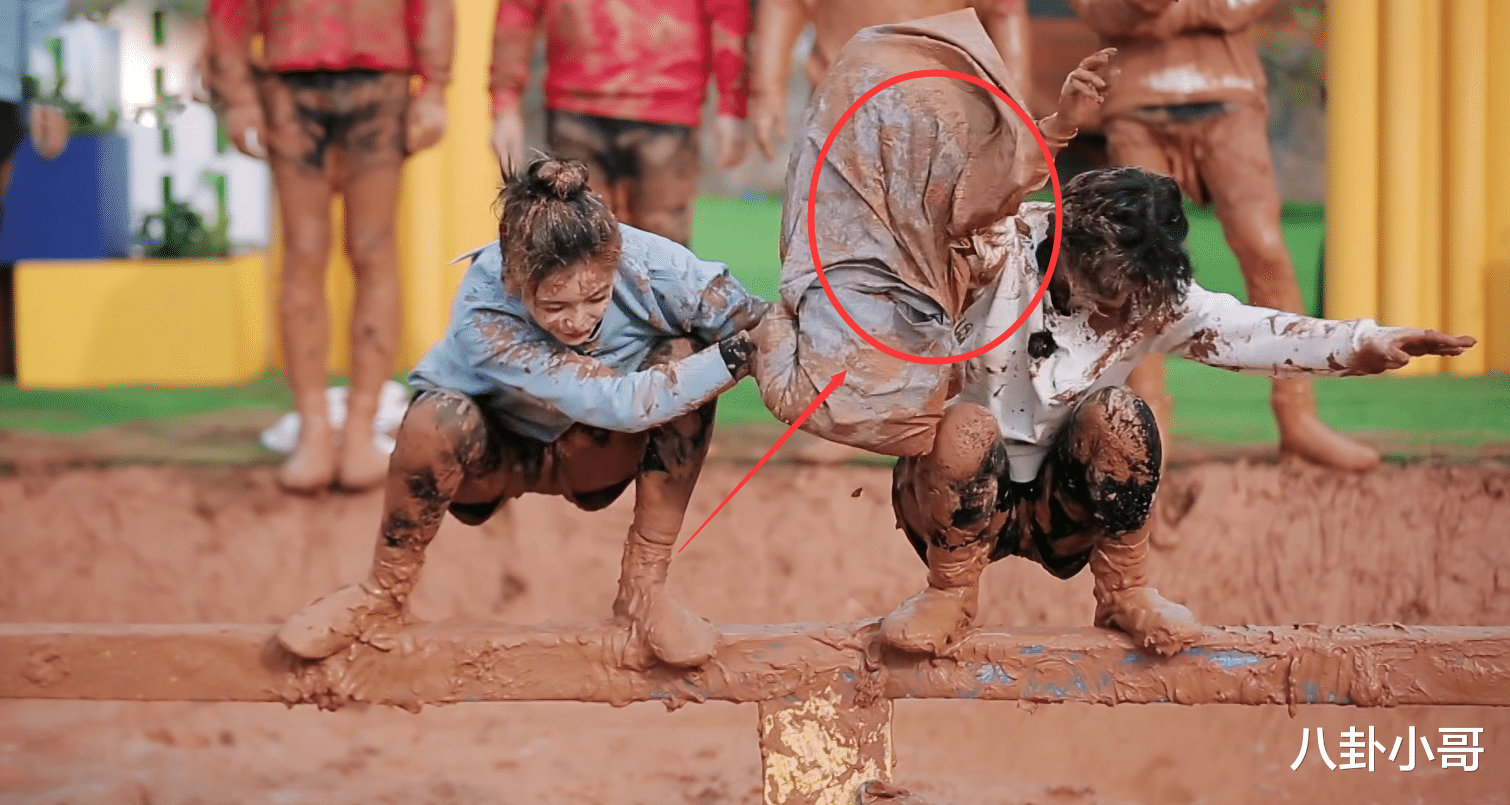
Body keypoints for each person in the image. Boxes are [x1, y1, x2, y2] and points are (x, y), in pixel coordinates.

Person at [881, 166, 1476, 656]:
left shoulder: (1152, 296)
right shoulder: (990, 250)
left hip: (1063, 506)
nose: (1118, 306)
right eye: (1105, 286)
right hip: (954, 499)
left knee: (1121, 415)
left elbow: (1251, 332)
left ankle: (1124, 592)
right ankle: (951, 593)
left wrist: (1365, 342)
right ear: (1063, 249)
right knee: (963, 426)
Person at [277, 157, 768, 667]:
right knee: (434, 417)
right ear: (516, 280)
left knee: (686, 361)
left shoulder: (659, 266)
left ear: (614, 257)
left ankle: (643, 588)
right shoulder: (484, 312)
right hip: (492, 456)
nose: (578, 321)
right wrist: (737, 355)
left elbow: (764, 325)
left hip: (593, 452)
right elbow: (623, 403)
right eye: (554, 307)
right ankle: (382, 593)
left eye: (595, 297)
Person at [752, 9, 1111, 457]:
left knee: (991, 251)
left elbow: (1003, 12)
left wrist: (1034, 121)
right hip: (861, 111)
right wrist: (765, 87)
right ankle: (854, 407)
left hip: (927, 109)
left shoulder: (988, 233)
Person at [1068, 0, 1381, 471]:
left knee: (1264, 248)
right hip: (1136, 98)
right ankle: (1149, 414)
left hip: (1228, 93)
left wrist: (1174, 15)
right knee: (1140, 255)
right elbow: (1097, 10)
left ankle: (1296, 415)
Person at [204, 0, 455, 493]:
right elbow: (229, 9)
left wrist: (435, 87)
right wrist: (238, 96)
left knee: (373, 249)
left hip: (381, 81)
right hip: (290, 82)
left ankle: (361, 425)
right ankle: (314, 426)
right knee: (303, 251)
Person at [488, 0, 749, 247]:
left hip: (667, 109)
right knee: (574, 243)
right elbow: (518, 9)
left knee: (663, 252)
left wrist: (731, 104)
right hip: (575, 110)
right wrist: (505, 104)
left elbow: (728, 9)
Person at [748, 0, 1031, 164]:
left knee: (934, 229)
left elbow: (1004, 10)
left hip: (939, 111)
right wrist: (767, 88)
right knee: (834, 219)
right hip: (843, 107)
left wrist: (1016, 105)